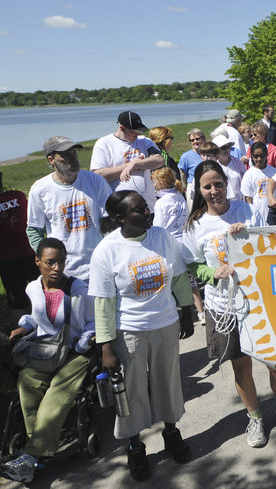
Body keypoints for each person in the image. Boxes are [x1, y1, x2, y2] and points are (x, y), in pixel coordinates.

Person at [183, 160, 276, 448]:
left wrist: (248, 236)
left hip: (259, 301)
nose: (214, 190)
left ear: (227, 184)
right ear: (199, 190)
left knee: (275, 363)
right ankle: (255, 417)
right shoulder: (195, 225)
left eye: (218, 184)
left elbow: (269, 249)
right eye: (207, 186)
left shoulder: (248, 211)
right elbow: (194, 264)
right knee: (242, 368)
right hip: (224, 306)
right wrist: (212, 273)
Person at [91, 191, 195, 481]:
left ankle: (172, 433)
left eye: (146, 207)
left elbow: (177, 276)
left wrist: (185, 310)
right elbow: (104, 303)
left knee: (168, 382)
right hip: (129, 333)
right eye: (139, 210)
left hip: (165, 325)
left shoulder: (161, 236)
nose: (148, 212)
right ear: (120, 218)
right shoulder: (107, 250)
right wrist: (106, 348)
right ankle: (135, 447)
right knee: (132, 393)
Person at [0, 238, 95, 484]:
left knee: (57, 390)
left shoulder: (78, 289)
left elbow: (93, 321)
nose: (57, 268)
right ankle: (41, 444)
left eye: (61, 262)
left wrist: (84, 341)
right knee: (26, 380)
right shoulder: (32, 288)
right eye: (50, 262)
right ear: (37, 261)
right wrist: (23, 327)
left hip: (74, 352)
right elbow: (36, 317)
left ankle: (31, 457)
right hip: (46, 350)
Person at [27, 136, 112, 281]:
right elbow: (34, 230)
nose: (73, 158)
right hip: (64, 272)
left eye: (74, 153)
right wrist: (49, 262)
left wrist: (111, 254)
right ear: (51, 160)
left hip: (99, 266)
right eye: (65, 155)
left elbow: (109, 222)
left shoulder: (95, 181)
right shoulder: (40, 190)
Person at [0, 163, 39, 322]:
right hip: (30, 253)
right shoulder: (19, 196)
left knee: (18, 303)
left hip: (7, 260)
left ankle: (22, 337)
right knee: (43, 293)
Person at [151, 167, 205, 324]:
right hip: (185, 243)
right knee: (191, 281)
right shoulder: (179, 196)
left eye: (154, 181)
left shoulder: (161, 203)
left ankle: (170, 314)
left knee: (170, 282)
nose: (153, 184)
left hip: (169, 245)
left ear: (161, 183)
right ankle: (201, 312)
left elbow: (158, 228)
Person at [90, 111, 163, 210]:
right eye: (134, 132)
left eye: (139, 131)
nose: (137, 135)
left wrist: (136, 164)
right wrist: (128, 165)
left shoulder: (145, 141)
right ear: (122, 128)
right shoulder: (104, 144)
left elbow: (159, 160)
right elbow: (99, 175)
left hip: (148, 208)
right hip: (121, 209)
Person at [241, 142, 276, 222]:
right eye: (256, 156)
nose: (259, 159)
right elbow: (248, 198)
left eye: (262, 156)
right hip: (257, 215)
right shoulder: (249, 175)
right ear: (251, 156)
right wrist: (253, 215)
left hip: (274, 214)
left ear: (266, 155)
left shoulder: (274, 172)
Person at [177, 128, 207, 208]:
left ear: (204, 139)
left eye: (197, 139)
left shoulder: (208, 152)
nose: (195, 142)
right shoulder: (186, 156)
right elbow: (182, 173)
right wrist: (184, 187)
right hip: (193, 187)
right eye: (192, 140)